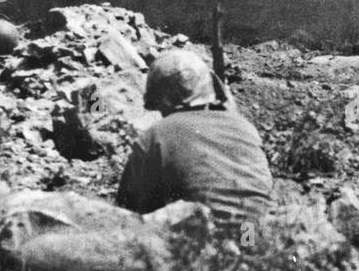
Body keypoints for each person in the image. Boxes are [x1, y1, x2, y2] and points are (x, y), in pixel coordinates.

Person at [116, 50, 273, 219]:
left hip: (206, 237)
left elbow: (127, 211)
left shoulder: (155, 136)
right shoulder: (245, 127)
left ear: (160, 99)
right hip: (256, 234)